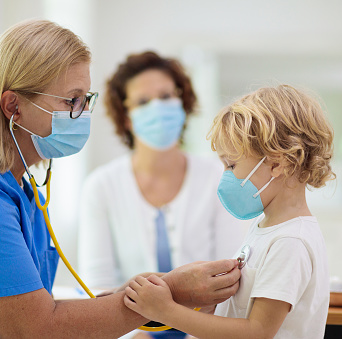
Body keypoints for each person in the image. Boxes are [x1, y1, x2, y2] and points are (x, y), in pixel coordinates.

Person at [0, 20, 242, 338]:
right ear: (13, 107)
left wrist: (149, 293)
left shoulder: (15, 185)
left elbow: (36, 305)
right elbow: (37, 329)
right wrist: (172, 291)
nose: (81, 114)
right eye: (71, 101)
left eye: (85, 99)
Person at [123, 84, 335, 339]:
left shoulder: (290, 241)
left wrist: (165, 311)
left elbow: (257, 332)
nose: (225, 176)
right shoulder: (265, 228)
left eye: (232, 165)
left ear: (278, 164)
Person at [78, 51, 245, 338]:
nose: (158, 108)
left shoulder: (219, 178)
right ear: (126, 117)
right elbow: (98, 288)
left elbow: (233, 277)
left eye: (166, 96)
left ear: (183, 102)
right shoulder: (102, 186)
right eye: (143, 102)